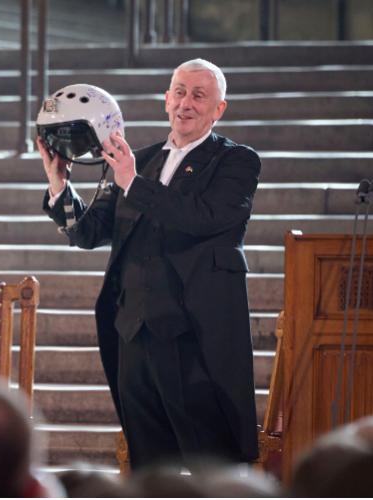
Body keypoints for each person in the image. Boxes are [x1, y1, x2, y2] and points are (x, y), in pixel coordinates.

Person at [39, 58, 260, 469]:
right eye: (179, 92)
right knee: (150, 468)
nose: (186, 103)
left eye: (199, 95)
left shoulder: (236, 162)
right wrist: (59, 183)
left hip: (194, 338)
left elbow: (203, 218)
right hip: (133, 335)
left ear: (219, 109)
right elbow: (89, 233)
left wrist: (133, 183)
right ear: (166, 99)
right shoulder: (138, 160)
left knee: (212, 466)